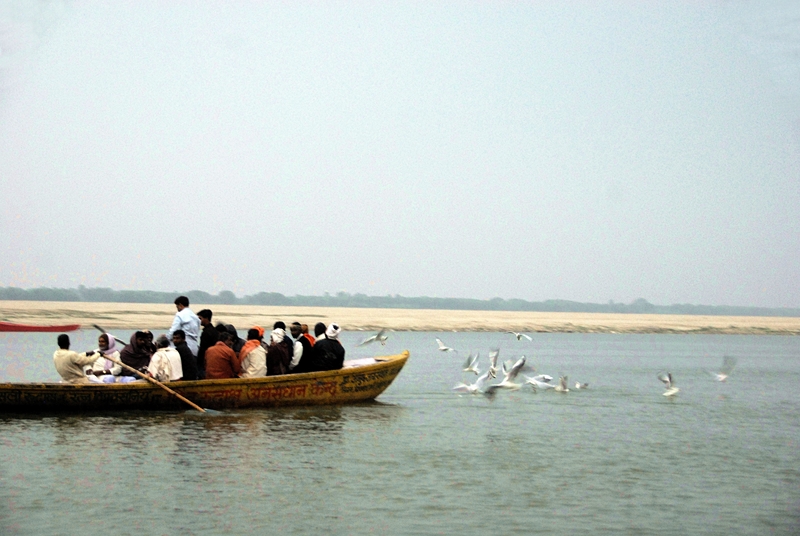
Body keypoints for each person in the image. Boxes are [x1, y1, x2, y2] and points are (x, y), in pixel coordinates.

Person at [196, 309, 218, 379]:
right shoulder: (214, 331)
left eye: (200, 318)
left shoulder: (206, 332)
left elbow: (203, 348)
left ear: (207, 318)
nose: (199, 321)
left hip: (205, 359)